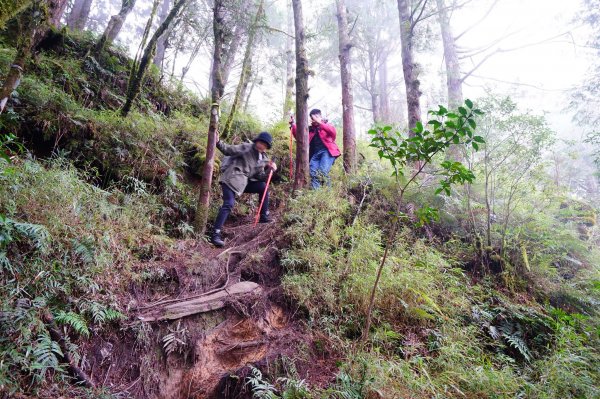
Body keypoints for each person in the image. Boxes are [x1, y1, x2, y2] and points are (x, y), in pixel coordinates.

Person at [210, 132, 277, 247]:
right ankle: (215, 234)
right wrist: (217, 142)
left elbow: (259, 177)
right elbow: (228, 150)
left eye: (265, 144)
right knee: (229, 203)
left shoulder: (263, 158)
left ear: (267, 147)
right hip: (231, 178)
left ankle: (264, 216)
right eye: (261, 142)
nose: (262, 145)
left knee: (263, 187)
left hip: (243, 183)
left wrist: (270, 170)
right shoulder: (247, 147)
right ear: (257, 141)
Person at [291, 109, 341, 189]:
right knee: (312, 172)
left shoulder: (327, 125)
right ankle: (316, 193)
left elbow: (333, 133)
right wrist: (293, 125)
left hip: (327, 152)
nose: (314, 119)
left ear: (321, 116)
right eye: (313, 117)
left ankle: (329, 193)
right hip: (315, 154)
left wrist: (320, 122)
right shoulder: (310, 130)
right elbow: (299, 136)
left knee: (322, 172)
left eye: (317, 116)